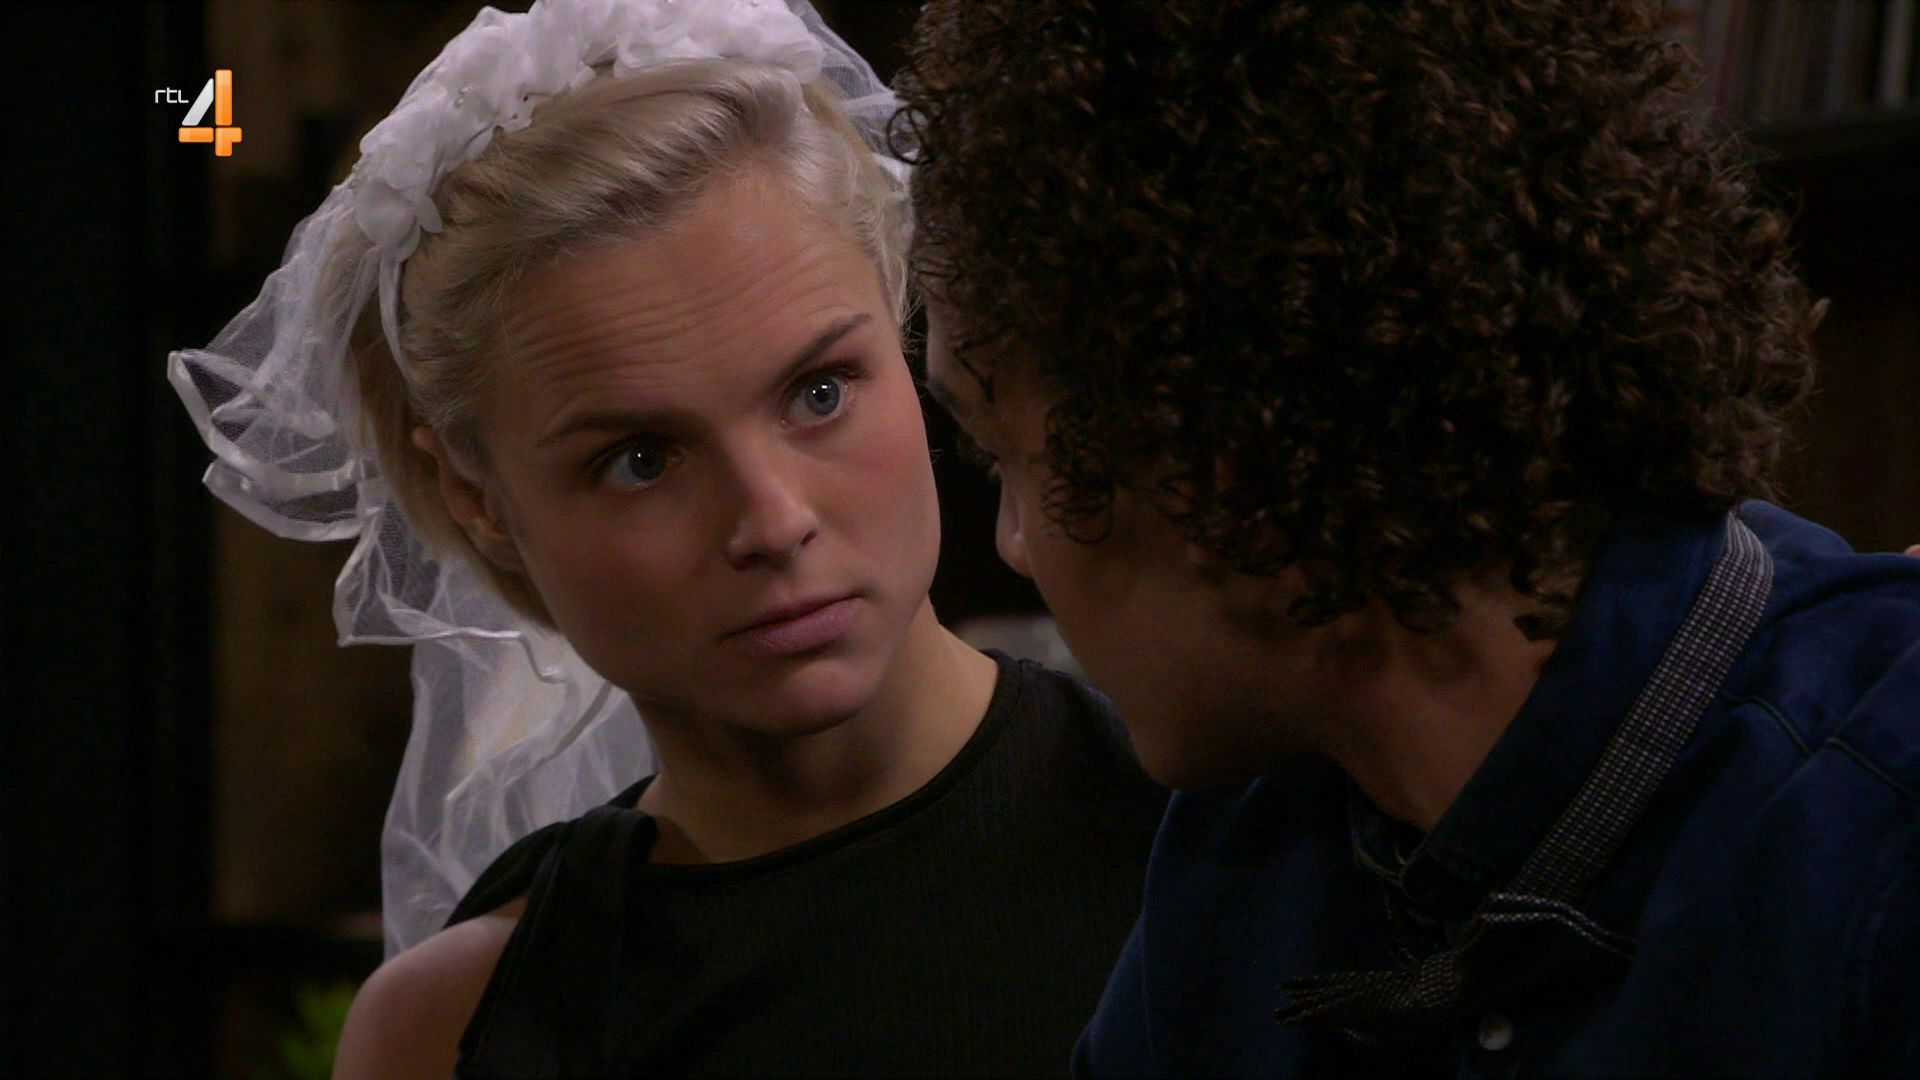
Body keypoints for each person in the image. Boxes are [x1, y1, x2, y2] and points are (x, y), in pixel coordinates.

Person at [893, 0, 1920, 1074]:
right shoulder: (1246, 855)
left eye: (1008, 458)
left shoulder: (1869, 841)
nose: (1015, 545)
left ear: (1218, 463)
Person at [168, 1, 1164, 1075]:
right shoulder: (454, 1027)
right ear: (475, 496)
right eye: (642, 458)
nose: (773, 521)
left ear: (903, 326)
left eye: (820, 392)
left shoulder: (1215, 826)